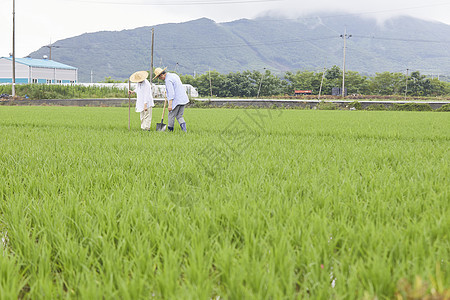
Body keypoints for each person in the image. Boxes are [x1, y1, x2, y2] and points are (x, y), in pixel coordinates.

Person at [153, 67, 189, 132]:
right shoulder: (174, 75)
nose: (160, 79)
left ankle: (170, 131)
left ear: (162, 75)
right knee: (179, 116)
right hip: (183, 99)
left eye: (159, 77)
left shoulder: (168, 80)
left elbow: (171, 93)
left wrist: (170, 105)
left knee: (171, 116)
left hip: (176, 100)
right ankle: (185, 131)